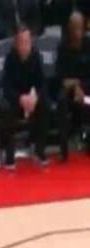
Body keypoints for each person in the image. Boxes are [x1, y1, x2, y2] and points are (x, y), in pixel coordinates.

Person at [1, 25, 50, 169]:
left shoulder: (36, 56)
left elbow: (43, 84)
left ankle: (39, 150)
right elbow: (6, 87)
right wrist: (20, 99)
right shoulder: (10, 59)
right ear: (16, 44)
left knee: (45, 105)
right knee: (5, 109)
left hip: (32, 99)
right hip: (16, 100)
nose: (24, 46)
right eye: (21, 42)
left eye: (27, 42)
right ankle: (9, 154)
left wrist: (36, 97)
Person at [56, 11, 90, 161]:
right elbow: (60, 78)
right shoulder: (62, 46)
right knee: (61, 100)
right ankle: (63, 148)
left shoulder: (88, 44)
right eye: (75, 28)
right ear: (70, 30)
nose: (78, 32)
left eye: (81, 28)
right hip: (68, 91)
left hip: (86, 90)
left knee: (88, 101)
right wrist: (75, 86)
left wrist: (81, 86)